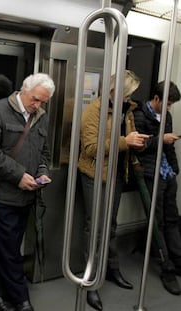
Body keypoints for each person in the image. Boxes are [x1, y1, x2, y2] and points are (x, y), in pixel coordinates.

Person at [0, 73, 55, 311]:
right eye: (35, 99)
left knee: (8, 245)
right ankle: (21, 299)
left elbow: (44, 152)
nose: (37, 106)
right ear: (23, 90)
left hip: (29, 194)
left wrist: (41, 172)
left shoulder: (40, 117)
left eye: (42, 102)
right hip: (3, 192)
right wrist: (19, 175)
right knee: (10, 249)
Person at [78, 69, 149, 311]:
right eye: (127, 94)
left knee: (111, 226)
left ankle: (111, 268)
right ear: (115, 91)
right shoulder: (93, 111)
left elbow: (125, 140)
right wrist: (124, 142)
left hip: (118, 173)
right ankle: (90, 282)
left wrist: (137, 143)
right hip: (95, 175)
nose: (130, 99)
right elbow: (90, 148)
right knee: (95, 227)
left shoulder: (126, 111)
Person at [133, 81, 181, 295]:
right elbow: (139, 146)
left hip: (167, 172)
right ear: (156, 98)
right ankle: (166, 267)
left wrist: (175, 168)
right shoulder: (139, 115)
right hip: (151, 173)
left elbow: (168, 147)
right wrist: (161, 138)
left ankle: (177, 258)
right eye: (167, 103)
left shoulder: (167, 117)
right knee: (157, 221)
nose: (169, 108)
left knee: (172, 218)